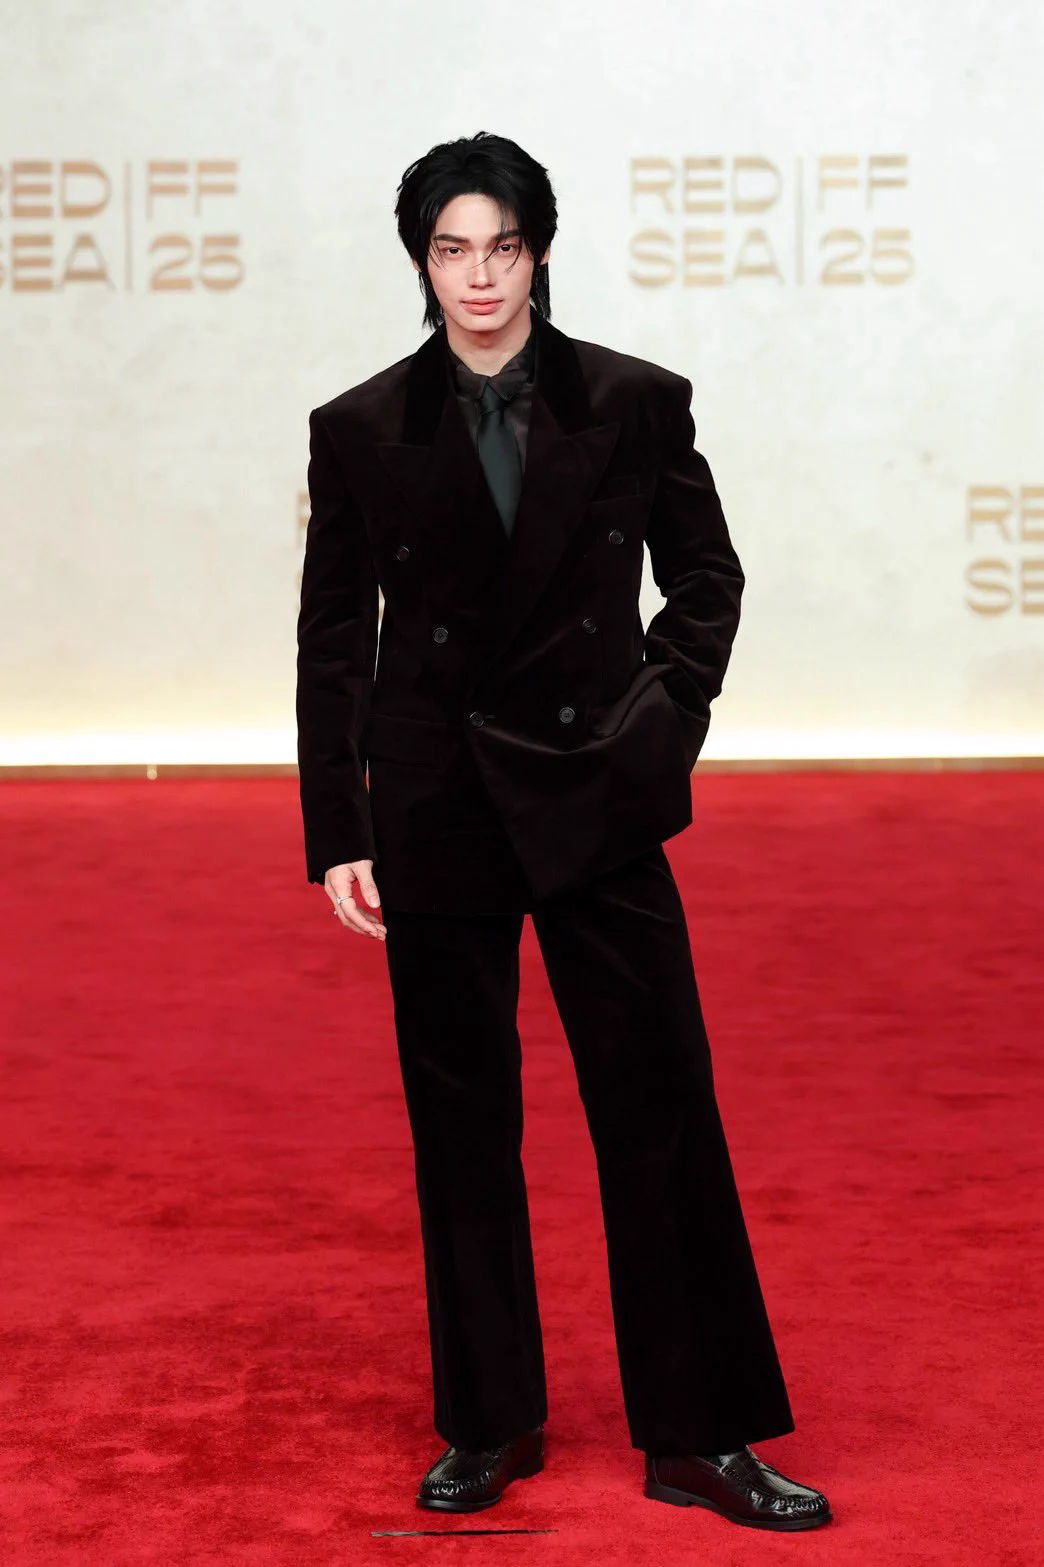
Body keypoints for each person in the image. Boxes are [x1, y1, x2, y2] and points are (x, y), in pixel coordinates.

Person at [295, 131, 831, 1532]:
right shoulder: (358, 428)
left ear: (538, 253)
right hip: (435, 802)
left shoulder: (636, 401)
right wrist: (338, 820)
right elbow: (334, 638)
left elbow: (707, 578)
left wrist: (661, 724)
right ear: (422, 263)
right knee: (462, 1122)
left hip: (597, 790)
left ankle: (700, 1436)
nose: (479, 276)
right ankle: (490, 1420)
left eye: (503, 246)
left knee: (660, 1104)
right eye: (451, 250)